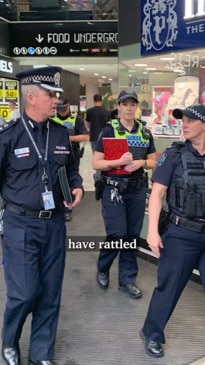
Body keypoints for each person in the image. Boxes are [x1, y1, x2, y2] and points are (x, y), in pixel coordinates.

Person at [0, 66, 84, 365]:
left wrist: (77, 187)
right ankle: (9, 341)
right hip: (19, 224)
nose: (56, 101)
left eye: (57, 96)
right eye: (51, 95)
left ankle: (40, 354)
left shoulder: (61, 133)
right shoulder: (9, 136)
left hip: (55, 223)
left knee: (50, 291)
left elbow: (71, 169)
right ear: (31, 97)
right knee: (23, 292)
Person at [140, 104, 205, 358]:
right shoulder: (174, 154)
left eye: (190, 120)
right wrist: (153, 232)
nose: (184, 124)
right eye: (183, 120)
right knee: (169, 287)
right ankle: (151, 333)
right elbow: (157, 193)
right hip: (181, 234)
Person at [92, 90, 156, 299]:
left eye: (132, 104)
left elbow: (154, 161)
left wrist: (142, 163)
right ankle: (103, 266)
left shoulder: (145, 133)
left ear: (136, 106)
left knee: (132, 236)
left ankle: (127, 280)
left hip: (137, 189)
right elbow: (96, 162)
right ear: (118, 106)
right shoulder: (109, 131)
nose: (129, 108)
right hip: (113, 189)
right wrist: (117, 162)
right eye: (125, 104)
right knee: (117, 233)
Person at [53, 95, 88, 221]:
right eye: (59, 108)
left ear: (68, 107)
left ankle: (68, 206)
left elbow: (84, 136)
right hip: (55, 153)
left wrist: (68, 138)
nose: (61, 111)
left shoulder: (76, 119)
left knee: (69, 179)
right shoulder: (52, 118)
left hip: (72, 152)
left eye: (64, 108)